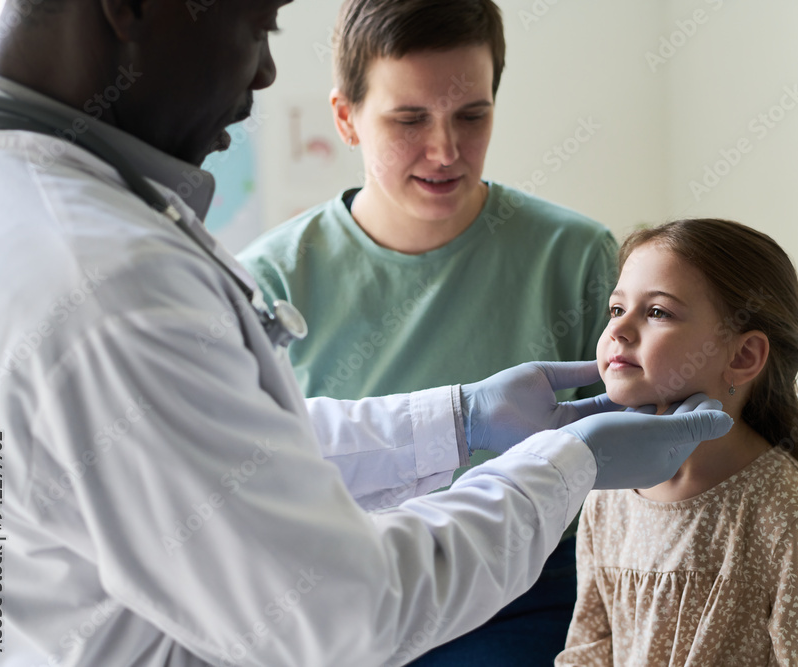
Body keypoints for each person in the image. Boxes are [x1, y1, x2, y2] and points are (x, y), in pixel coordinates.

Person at [0, 2, 732, 666]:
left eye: (473, 113)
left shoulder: (24, 205)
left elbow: (237, 454)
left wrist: (459, 418)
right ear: (132, 7)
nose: (267, 72)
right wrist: (568, 460)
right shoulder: (109, 280)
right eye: (258, 21)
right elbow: (341, 611)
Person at [237, 1, 616, 662]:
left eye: (472, 115)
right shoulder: (268, 280)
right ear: (345, 118)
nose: (445, 151)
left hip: (535, 597)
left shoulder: (576, 256)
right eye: (409, 119)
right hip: (353, 598)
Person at [556, 219, 798, 665]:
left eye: (657, 312)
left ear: (742, 356)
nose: (619, 331)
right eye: (616, 309)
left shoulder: (794, 518)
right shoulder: (607, 495)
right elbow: (588, 649)